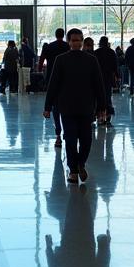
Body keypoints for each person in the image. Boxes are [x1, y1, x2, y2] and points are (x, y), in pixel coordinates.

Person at [42, 28, 107, 184]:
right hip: (67, 107)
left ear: (82, 41)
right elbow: (53, 84)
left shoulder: (91, 60)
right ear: (68, 42)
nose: (76, 42)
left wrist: (102, 107)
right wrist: (48, 106)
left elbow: (99, 84)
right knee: (70, 139)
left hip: (86, 107)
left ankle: (80, 163)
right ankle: (73, 170)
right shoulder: (61, 60)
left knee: (86, 140)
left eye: (79, 40)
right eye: (73, 40)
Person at [39, 29, 69, 147]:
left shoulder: (49, 47)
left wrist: (40, 70)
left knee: (56, 108)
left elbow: (41, 61)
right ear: (64, 35)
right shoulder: (67, 46)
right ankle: (67, 133)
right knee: (67, 108)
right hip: (66, 80)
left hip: (52, 79)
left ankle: (58, 136)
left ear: (56, 35)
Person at [92, 36, 118, 126]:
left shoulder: (96, 52)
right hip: (108, 79)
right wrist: (117, 76)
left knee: (98, 98)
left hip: (97, 78)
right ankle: (108, 118)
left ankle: (99, 117)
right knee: (107, 98)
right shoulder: (111, 52)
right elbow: (115, 66)